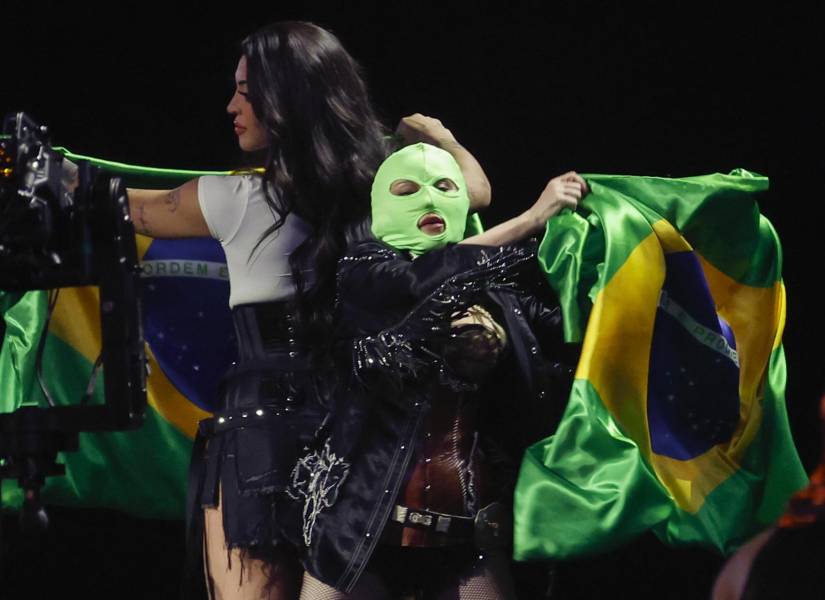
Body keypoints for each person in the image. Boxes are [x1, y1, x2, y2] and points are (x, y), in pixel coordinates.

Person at [127, 23, 494, 599]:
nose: (230, 105)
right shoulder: (386, 189)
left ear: (286, 97)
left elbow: (117, 212)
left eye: (245, 90)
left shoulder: (234, 200)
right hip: (359, 431)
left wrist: (38, 172)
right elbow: (474, 190)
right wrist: (436, 136)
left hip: (261, 438)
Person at [289, 142, 586, 599]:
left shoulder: (498, 291)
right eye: (408, 189)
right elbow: (422, 281)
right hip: (361, 530)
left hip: (467, 533)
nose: (429, 199)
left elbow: (576, 329)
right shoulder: (364, 270)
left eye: (444, 186)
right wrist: (530, 219)